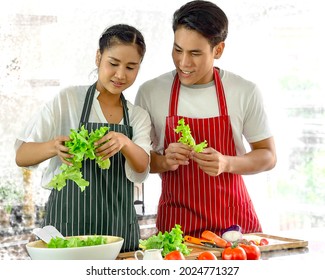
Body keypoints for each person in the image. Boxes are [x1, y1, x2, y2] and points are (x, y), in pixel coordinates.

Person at [135, 0, 277, 237]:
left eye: (195, 53)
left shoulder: (244, 91)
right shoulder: (151, 92)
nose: (184, 63)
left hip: (234, 226)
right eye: (178, 50)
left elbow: (268, 156)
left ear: (218, 50)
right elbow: (138, 161)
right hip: (177, 228)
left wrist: (227, 163)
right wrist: (164, 161)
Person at [15, 24, 151, 252]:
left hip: (117, 231)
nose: (120, 74)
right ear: (98, 57)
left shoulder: (137, 115)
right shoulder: (68, 100)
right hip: (67, 229)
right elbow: (22, 156)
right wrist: (53, 147)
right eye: (113, 63)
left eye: (131, 67)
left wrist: (125, 142)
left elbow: (142, 166)